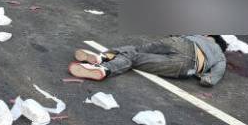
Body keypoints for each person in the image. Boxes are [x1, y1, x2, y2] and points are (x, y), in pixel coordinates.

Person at [68, 35, 228, 87]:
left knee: (135, 50)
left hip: (181, 43)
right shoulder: (221, 56)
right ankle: (104, 70)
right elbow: (213, 77)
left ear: (211, 36)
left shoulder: (198, 35)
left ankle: (102, 57)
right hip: (187, 67)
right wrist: (204, 78)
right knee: (135, 58)